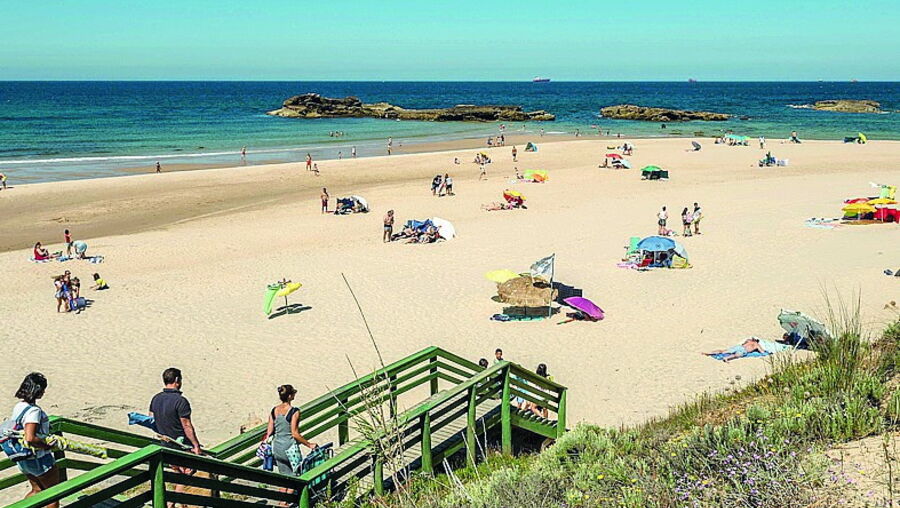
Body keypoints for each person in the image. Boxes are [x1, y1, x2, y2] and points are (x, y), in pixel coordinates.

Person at [149, 368, 202, 506]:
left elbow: (151, 419)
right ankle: (170, 504)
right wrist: (196, 445)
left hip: (163, 443)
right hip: (180, 445)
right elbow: (186, 425)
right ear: (177, 380)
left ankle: (170, 503)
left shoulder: (156, 398)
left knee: (178, 474)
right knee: (186, 474)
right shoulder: (181, 401)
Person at [10, 373, 60, 507]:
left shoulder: (19, 406)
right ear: (37, 390)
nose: (44, 392)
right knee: (53, 494)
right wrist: (47, 446)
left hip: (24, 459)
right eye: (43, 389)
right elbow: (30, 437)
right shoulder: (33, 411)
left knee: (37, 490)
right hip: (39, 459)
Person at [263, 385, 317, 481]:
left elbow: (269, 432)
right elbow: (294, 434)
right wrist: (309, 445)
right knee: (297, 477)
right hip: (290, 448)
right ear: (289, 396)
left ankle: (283, 491)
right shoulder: (294, 411)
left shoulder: (274, 410)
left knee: (284, 478)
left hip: (277, 448)